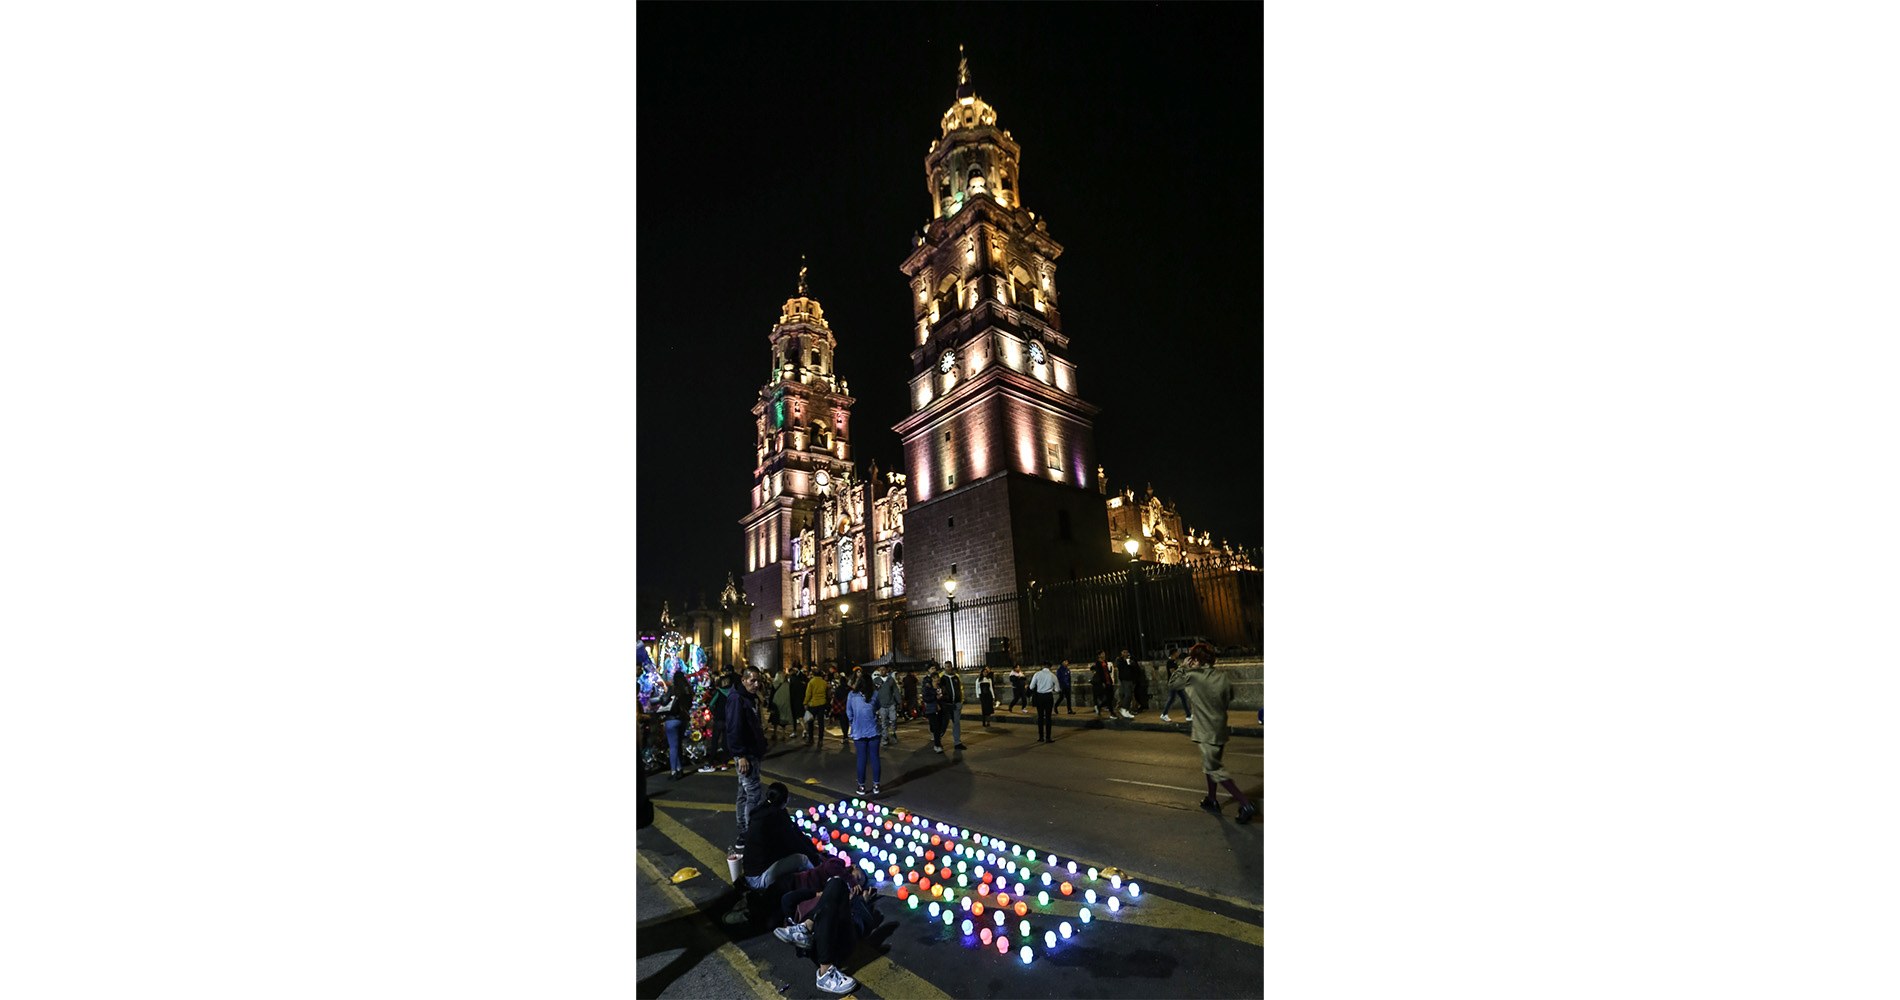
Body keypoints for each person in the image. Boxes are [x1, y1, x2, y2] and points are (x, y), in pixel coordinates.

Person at [1170, 643, 1256, 823]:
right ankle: (1212, 799)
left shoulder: (1193, 676)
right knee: (1210, 764)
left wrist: (1184, 666)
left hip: (1205, 731)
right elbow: (1229, 697)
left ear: (1196, 659)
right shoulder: (1222, 677)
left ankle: (1245, 803)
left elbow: (1173, 683)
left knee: (1214, 768)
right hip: (1220, 728)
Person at [773, 872, 882, 995]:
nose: (853, 887)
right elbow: (787, 899)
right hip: (815, 943)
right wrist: (818, 894)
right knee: (836, 883)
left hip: (838, 942)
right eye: (856, 879)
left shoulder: (850, 906)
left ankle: (806, 929)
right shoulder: (818, 899)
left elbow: (865, 925)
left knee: (836, 882)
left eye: (859, 884)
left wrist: (859, 901)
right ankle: (824, 972)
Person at [742, 782, 821, 889]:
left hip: (752, 872)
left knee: (802, 846)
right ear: (785, 800)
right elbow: (794, 842)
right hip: (758, 879)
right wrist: (817, 861)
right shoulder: (775, 817)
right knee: (802, 860)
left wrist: (814, 852)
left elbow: (796, 833)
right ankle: (819, 883)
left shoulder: (763, 810)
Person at [726, 667, 770, 851]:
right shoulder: (737, 698)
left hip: (751, 752)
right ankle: (749, 833)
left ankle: (744, 832)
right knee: (753, 794)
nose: (756, 684)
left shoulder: (747, 697)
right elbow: (734, 727)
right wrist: (740, 754)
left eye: (758, 680)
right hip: (746, 754)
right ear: (743, 680)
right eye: (752, 681)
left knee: (743, 793)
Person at [846, 669, 882, 795]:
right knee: (874, 758)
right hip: (873, 729)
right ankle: (876, 785)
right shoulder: (875, 694)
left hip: (858, 730)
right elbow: (878, 707)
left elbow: (849, 713)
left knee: (861, 759)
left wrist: (853, 723)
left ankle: (861, 786)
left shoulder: (851, 695)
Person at [661, 668, 693, 779]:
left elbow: (664, 702)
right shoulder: (688, 690)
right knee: (678, 744)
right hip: (683, 719)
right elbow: (689, 705)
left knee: (673, 746)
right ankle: (680, 769)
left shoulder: (673, 689)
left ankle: (673, 771)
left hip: (671, 719)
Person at [1159, 650, 1193, 723]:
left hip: (1177, 683)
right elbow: (1173, 672)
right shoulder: (1170, 662)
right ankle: (1164, 714)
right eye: (1176, 652)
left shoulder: (1173, 661)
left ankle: (1188, 715)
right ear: (1173, 653)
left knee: (1183, 698)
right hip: (1174, 683)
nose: (1178, 654)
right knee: (1172, 699)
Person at [1029, 661, 1059, 742]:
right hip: (1048, 696)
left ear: (1043, 666)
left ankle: (1041, 736)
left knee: (1040, 717)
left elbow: (1031, 686)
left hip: (1039, 696)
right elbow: (1057, 689)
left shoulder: (1037, 674)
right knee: (1048, 717)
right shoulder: (1053, 676)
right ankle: (1048, 737)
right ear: (1050, 667)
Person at [872, 663, 899, 747]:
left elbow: (896, 691)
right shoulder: (876, 680)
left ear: (887, 670)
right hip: (881, 705)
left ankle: (893, 732)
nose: (882, 671)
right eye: (880, 670)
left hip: (891, 703)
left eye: (883, 669)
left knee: (893, 719)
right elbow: (873, 691)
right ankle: (885, 737)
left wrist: (899, 701)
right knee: (883, 722)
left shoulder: (891, 680)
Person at [921, 663, 945, 752]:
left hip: (940, 708)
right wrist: (935, 698)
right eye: (935, 678)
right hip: (931, 708)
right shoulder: (927, 685)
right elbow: (925, 697)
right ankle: (937, 745)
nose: (937, 679)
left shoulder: (940, 686)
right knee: (936, 727)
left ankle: (937, 738)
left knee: (940, 726)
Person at [803, 667, 829, 748]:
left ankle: (811, 739)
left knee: (811, 722)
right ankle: (820, 740)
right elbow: (827, 693)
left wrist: (805, 702)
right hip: (822, 704)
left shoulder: (811, 682)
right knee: (821, 722)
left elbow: (808, 694)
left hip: (813, 704)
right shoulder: (824, 683)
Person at [943, 660, 967, 750]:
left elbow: (960, 689)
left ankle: (957, 742)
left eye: (949, 666)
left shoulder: (956, 677)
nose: (948, 668)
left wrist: (961, 700)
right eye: (947, 667)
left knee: (956, 723)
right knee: (944, 723)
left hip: (956, 703)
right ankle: (938, 737)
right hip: (947, 704)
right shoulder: (942, 678)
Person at [773, 665, 799, 740]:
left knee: (775, 719)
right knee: (783, 720)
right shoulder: (787, 685)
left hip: (776, 704)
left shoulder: (775, 684)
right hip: (785, 704)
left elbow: (772, 694)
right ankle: (783, 735)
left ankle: (775, 733)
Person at [1115, 649, 1140, 720]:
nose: (1125, 654)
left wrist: (1131, 662)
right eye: (1124, 652)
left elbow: (1134, 667)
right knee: (1127, 694)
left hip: (1130, 679)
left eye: (1126, 652)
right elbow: (1120, 667)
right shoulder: (1119, 660)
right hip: (1124, 679)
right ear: (1121, 653)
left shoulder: (1130, 659)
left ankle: (1126, 710)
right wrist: (1125, 662)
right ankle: (1124, 709)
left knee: (1128, 695)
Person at [1091, 653, 1114, 717]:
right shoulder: (1098, 663)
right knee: (1108, 697)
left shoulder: (1105, 662)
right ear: (1099, 655)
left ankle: (1099, 706)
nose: (1104, 655)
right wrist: (1102, 682)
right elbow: (1100, 674)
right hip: (1104, 682)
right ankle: (1112, 713)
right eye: (1102, 654)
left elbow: (1107, 671)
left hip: (1108, 680)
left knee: (1111, 696)